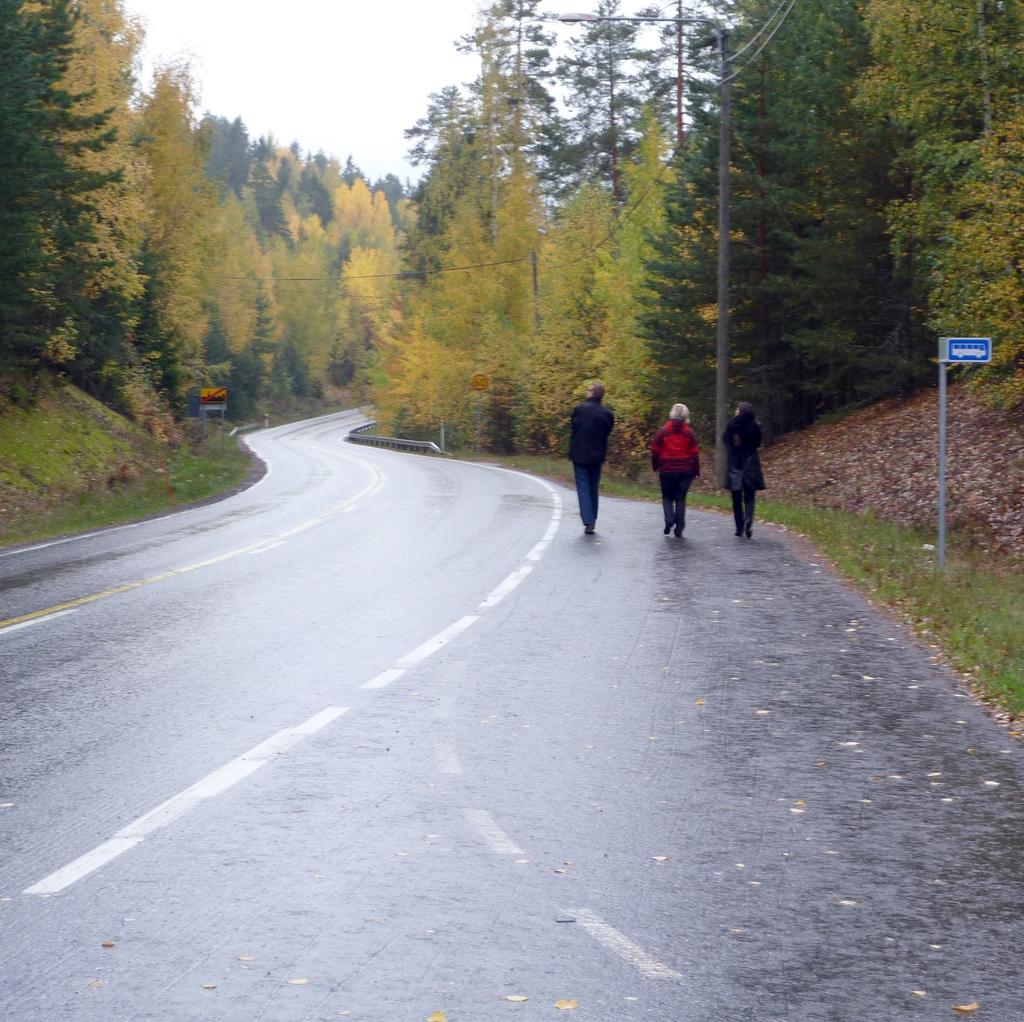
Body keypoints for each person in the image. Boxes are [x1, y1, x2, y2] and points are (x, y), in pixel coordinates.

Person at [569, 382, 614, 535]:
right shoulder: (607, 413)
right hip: (597, 453)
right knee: (593, 487)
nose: (586, 392)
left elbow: (574, 428)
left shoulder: (579, 410)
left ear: (592, 393)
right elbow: (608, 431)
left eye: (588, 390)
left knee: (583, 487)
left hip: (579, 453)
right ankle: (592, 518)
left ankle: (588, 520)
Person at [650, 403, 701, 538]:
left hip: (666, 469)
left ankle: (668, 520)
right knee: (680, 498)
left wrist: (655, 466)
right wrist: (696, 471)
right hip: (685, 470)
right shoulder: (689, 433)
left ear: (671, 414)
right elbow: (695, 454)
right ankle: (679, 527)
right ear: (685, 416)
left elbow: (655, 451)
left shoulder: (663, 431)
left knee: (667, 497)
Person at [723, 401, 766, 538]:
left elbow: (727, 441)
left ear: (740, 411)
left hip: (735, 462)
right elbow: (758, 443)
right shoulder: (756, 425)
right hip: (750, 461)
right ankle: (748, 520)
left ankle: (739, 527)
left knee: (736, 495)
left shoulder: (731, 425)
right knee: (750, 494)